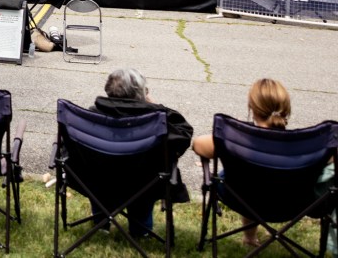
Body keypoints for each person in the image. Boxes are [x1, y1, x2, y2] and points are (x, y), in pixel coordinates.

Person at [92, 68, 193, 238]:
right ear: (141, 94)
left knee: (100, 173)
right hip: (143, 183)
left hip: (98, 180)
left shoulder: (91, 117)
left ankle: (101, 223)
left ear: (108, 89)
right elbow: (184, 134)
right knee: (145, 175)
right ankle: (140, 231)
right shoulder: (155, 121)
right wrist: (155, 106)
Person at [193, 78, 291, 248]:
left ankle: (250, 238)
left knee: (247, 180)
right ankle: (257, 236)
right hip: (291, 204)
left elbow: (198, 145)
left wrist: (235, 132)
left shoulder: (239, 139)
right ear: (286, 108)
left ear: (252, 107)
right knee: (262, 181)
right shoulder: (303, 144)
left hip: (241, 197)